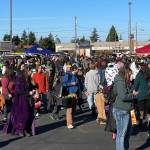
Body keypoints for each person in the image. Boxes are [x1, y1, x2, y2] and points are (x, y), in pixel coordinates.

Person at [112, 67, 136, 150]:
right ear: (125, 73)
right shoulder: (120, 82)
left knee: (127, 133)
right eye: (130, 74)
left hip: (128, 109)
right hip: (121, 109)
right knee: (121, 134)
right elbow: (123, 96)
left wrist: (131, 83)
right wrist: (133, 95)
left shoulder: (126, 82)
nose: (131, 75)